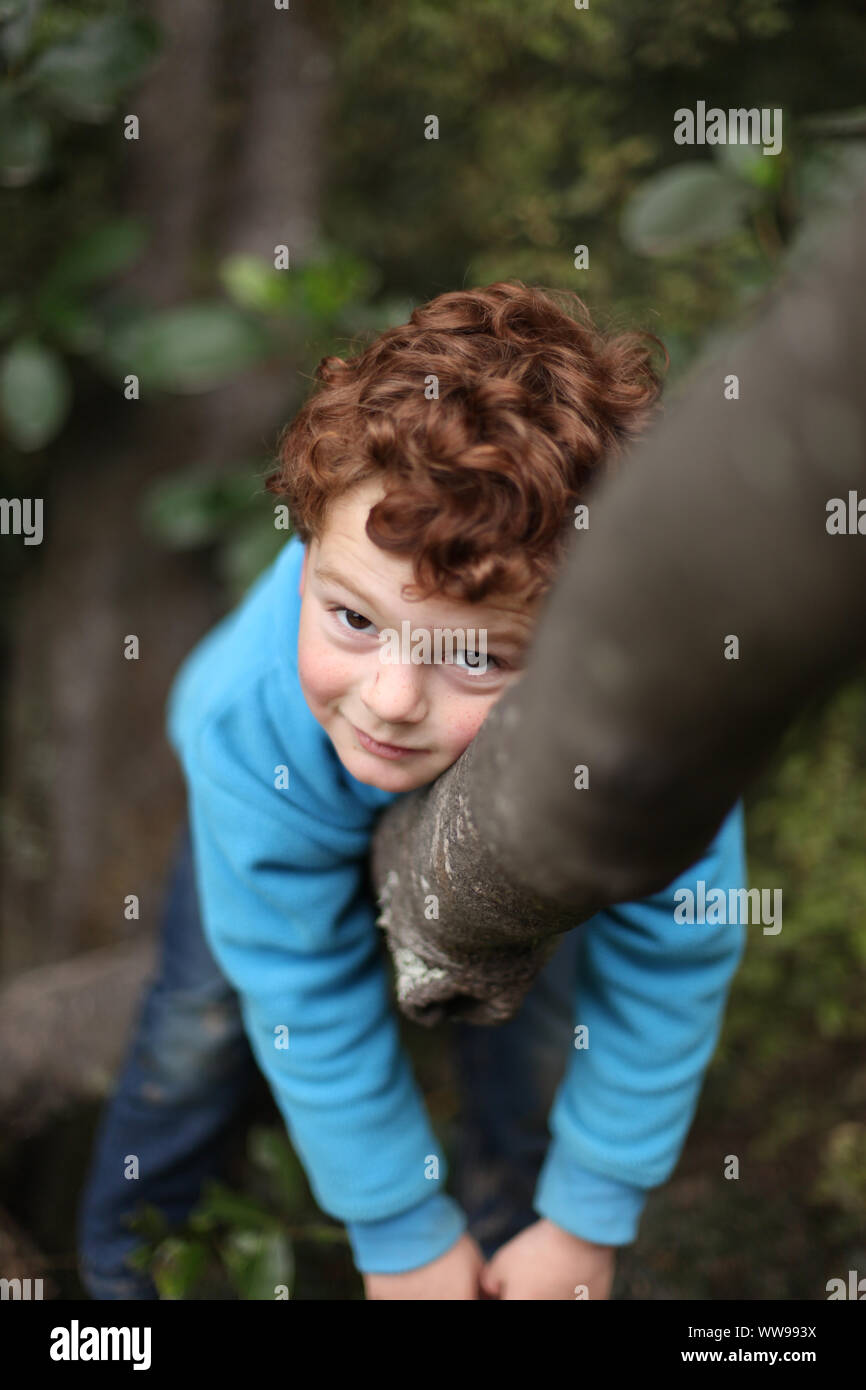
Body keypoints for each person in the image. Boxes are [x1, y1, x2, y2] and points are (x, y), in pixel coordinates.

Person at [77, 281, 746, 1300]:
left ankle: (513, 1242)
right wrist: (396, 1232)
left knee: (529, 1030)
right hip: (281, 798)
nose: (389, 699)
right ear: (303, 553)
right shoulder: (248, 720)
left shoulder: (644, 730)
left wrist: (586, 1215)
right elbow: (297, 979)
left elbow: (672, 952)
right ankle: (126, 1279)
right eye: (351, 619)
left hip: (517, 834)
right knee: (204, 1025)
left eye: (474, 655)